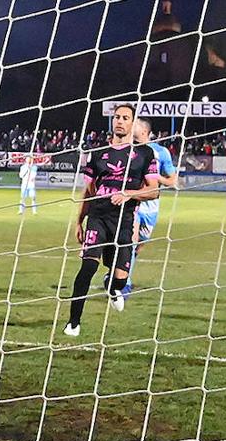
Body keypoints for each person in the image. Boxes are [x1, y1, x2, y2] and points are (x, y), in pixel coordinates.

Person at [63, 104, 160, 337]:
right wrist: (79, 221)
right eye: (117, 117)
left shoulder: (145, 154)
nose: (120, 121)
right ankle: (73, 322)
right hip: (98, 217)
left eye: (125, 117)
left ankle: (113, 287)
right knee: (87, 266)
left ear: (132, 123)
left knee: (120, 279)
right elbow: (88, 191)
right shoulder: (97, 154)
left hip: (125, 220)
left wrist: (128, 194)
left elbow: (154, 191)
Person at [126, 118, 179, 295]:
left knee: (139, 245)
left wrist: (156, 177)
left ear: (145, 132)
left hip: (152, 206)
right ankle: (124, 283)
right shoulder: (128, 150)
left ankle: (122, 267)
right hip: (133, 203)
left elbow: (172, 181)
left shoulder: (161, 152)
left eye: (136, 125)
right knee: (129, 243)